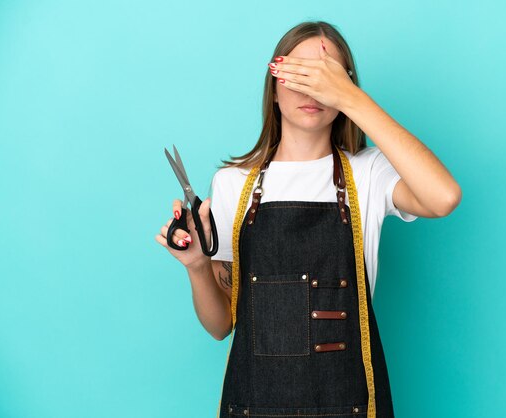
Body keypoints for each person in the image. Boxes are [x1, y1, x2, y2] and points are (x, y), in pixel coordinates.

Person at [155, 20, 461, 418]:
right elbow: (219, 326)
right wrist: (197, 266)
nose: (310, 88)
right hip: (254, 406)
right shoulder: (232, 183)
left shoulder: (369, 174)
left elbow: (444, 197)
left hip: (348, 404)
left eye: (325, 76)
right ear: (275, 84)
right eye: (297, 73)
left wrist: (352, 98)